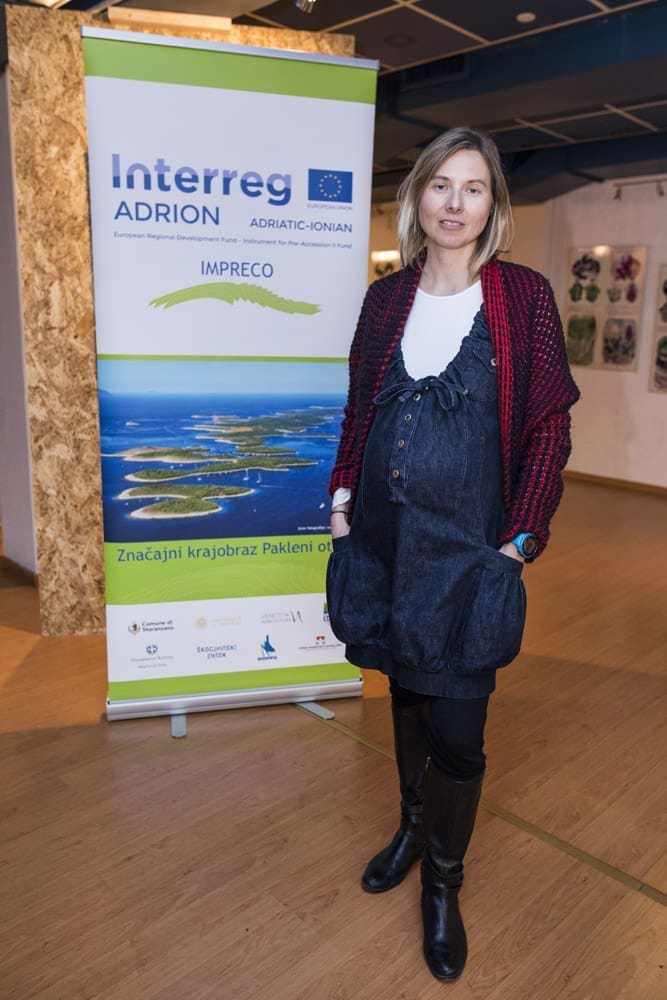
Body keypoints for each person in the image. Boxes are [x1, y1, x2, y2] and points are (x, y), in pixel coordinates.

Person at [326, 127, 579, 982]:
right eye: (440, 183)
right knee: (404, 695)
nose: (454, 202)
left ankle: (443, 880)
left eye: (473, 187)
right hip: (383, 546)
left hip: (471, 557)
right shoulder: (384, 302)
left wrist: (519, 540)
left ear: (491, 205)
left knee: (459, 733)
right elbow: (357, 411)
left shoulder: (521, 297)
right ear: (417, 198)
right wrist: (339, 503)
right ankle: (409, 826)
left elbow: (547, 427)